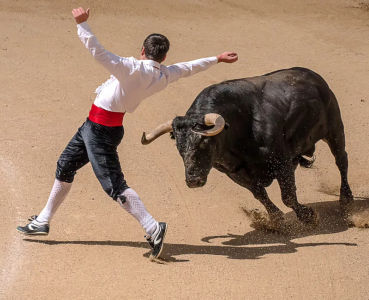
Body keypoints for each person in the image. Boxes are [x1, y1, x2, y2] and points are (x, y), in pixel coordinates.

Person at [17, 7, 238, 259]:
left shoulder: (131, 68)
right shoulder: (164, 74)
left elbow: (98, 52)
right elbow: (188, 67)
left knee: (115, 185)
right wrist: (216, 59)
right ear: (163, 58)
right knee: (65, 165)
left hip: (99, 132)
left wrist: (82, 24)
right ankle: (43, 220)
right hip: (97, 127)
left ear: (143, 50)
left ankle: (153, 227)